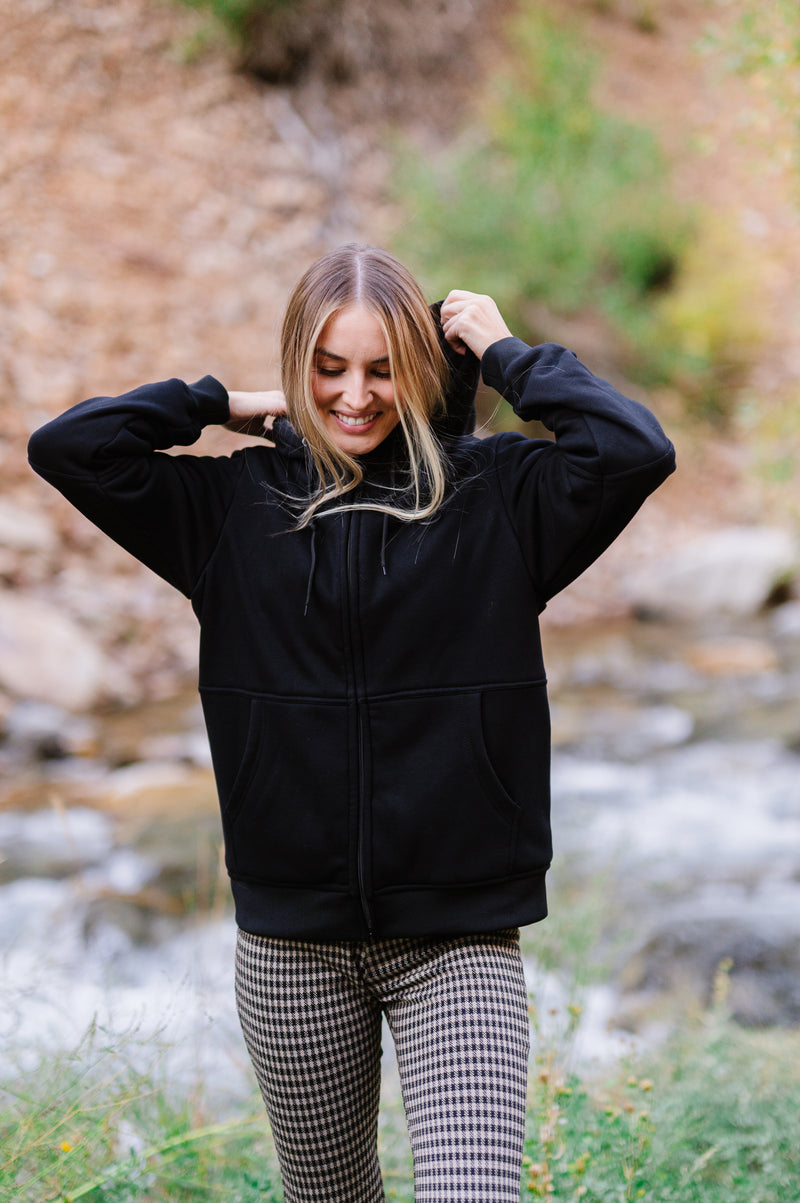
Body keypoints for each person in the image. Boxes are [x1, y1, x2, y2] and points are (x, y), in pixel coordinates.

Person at [28, 244, 675, 1202]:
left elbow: (634, 450)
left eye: (382, 367)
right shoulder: (227, 507)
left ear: (419, 363)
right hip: (293, 950)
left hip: (459, 944)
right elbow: (70, 447)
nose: (357, 396)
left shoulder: (500, 499)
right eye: (329, 367)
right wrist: (220, 402)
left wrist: (505, 352)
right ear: (298, 366)